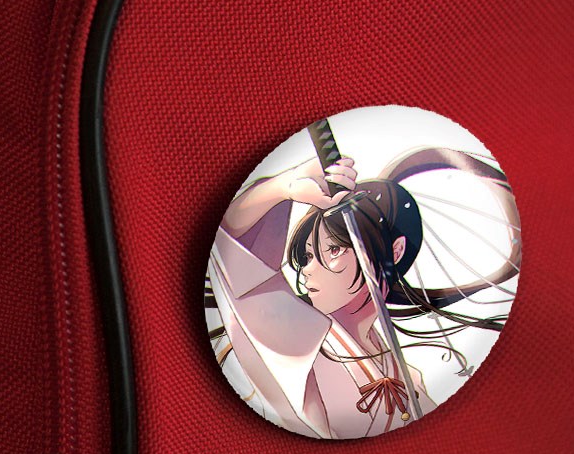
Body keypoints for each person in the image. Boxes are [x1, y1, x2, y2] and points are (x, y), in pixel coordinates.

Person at [206, 147, 519, 439]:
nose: (308, 270)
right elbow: (230, 242)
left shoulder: (402, 371)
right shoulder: (299, 334)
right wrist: (284, 187)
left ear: (394, 251)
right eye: (308, 256)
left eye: (333, 250)